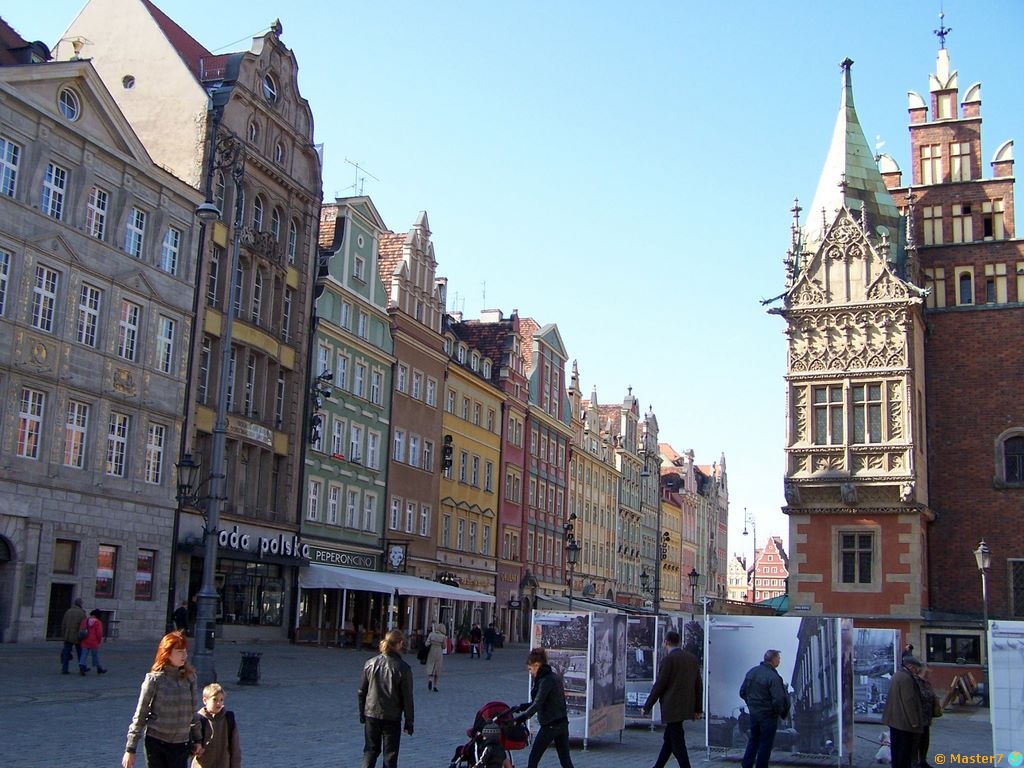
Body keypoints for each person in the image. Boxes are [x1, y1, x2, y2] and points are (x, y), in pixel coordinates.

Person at [123, 630, 202, 768]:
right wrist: (130, 749)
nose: (184, 655)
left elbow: (193, 712)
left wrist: (198, 739)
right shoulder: (155, 680)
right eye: (179, 651)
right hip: (156, 742)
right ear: (167, 653)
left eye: (185, 651)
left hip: (181, 743)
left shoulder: (190, 678)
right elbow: (140, 715)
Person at [641, 629, 702, 768]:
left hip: (672, 707)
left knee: (678, 742)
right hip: (686, 705)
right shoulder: (692, 658)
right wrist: (698, 708)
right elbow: (698, 685)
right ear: (678, 642)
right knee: (669, 739)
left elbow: (660, 685)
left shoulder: (668, 660)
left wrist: (647, 706)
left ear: (666, 642)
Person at [357, 629, 414, 768]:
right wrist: (409, 721)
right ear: (400, 644)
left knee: (370, 751)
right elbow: (407, 698)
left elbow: (361, 691)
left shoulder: (370, 663)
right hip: (391, 717)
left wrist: (362, 713)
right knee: (390, 756)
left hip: (371, 714)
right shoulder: (403, 668)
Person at [512, 647, 575, 768]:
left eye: (530, 669)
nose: (530, 672)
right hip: (562, 723)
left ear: (537, 665)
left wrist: (521, 718)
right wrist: (521, 707)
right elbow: (542, 701)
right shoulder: (552, 676)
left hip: (550, 725)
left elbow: (537, 703)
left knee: (533, 759)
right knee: (565, 761)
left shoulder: (545, 680)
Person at [739, 649, 791, 768]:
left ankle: (746, 765)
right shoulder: (774, 677)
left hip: (754, 714)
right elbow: (778, 700)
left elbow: (742, 692)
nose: (779, 661)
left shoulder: (752, 672)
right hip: (768, 716)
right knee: (765, 744)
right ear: (773, 659)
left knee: (753, 740)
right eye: (778, 658)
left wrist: (751, 705)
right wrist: (778, 713)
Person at [883, 655, 925, 768]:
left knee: (896, 748)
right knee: (904, 750)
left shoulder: (897, 675)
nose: (917, 671)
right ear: (910, 666)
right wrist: (914, 721)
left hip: (895, 719)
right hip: (903, 721)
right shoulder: (906, 679)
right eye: (916, 668)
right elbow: (908, 701)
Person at [191, 682, 241, 768]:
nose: (219, 703)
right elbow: (190, 744)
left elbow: (235, 748)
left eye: (221, 700)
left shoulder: (228, 719)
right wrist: (194, 749)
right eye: (215, 700)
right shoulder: (198, 719)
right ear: (205, 701)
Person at [917, 666, 937, 768]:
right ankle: (916, 761)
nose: (929, 676)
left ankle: (923, 760)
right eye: (927, 674)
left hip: (927, 717)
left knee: (925, 741)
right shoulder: (916, 682)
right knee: (917, 740)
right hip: (918, 717)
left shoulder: (927, 684)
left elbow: (931, 695)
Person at [60, 597, 86, 675]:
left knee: (66, 653)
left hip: (68, 635)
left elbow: (63, 624)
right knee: (80, 653)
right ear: (80, 604)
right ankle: (82, 668)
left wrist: (64, 634)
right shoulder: (82, 613)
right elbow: (84, 626)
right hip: (78, 636)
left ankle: (64, 669)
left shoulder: (68, 611)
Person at [78, 608, 107, 675]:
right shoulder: (98, 622)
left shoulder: (85, 621)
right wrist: (98, 641)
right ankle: (98, 668)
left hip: (85, 640)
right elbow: (99, 633)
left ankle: (82, 666)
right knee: (95, 655)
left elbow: (81, 629)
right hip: (94, 641)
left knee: (83, 654)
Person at [425, 622, 447, 692]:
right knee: (437, 668)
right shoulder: (443, 637)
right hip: (439, 652)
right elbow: (444, 646)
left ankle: (430, 679)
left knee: (430, 666)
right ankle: (435, 686)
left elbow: (426, 643)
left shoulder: (431, 634)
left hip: (431, 651)